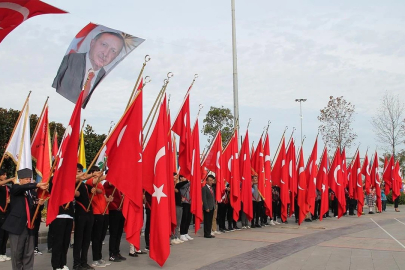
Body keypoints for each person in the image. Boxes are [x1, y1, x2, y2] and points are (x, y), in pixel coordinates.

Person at [53, 31, 125, 108]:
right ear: (92, 43)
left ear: (116, 57)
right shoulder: (70, 60)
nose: (106, 53)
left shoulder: (108, 81)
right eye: (104, 45)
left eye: (113, 51)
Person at [1, 168, 48, 270]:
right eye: (26, 179)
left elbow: (34, 208)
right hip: (17, 226)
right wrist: (37, 185)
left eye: (29, 179)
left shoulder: (31, 193)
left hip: (30, 226)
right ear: (20, 180)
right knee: (17, 253)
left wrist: (39, 205)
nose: (28, 181)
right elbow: (21, 188)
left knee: (29, 253)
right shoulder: (16, 189)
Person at [0, 169, 13, 263]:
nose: (5, 176)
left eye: (6, 174)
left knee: (5, 234)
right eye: (3, 175)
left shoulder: (7, 187)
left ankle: (3, 253)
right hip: (0, 212)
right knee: (0, 234)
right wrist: (10, 179)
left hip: (7, 212)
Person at [179, 175, 193, 242]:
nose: (186, 178)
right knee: (184, 218)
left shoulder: (188, 183)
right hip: (184, 203)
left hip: (189, 203)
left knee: (188, 218)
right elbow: (185, 185)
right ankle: (182, 233)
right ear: (181, 178)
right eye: (184, 177)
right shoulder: (180, 184)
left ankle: (186, 232)